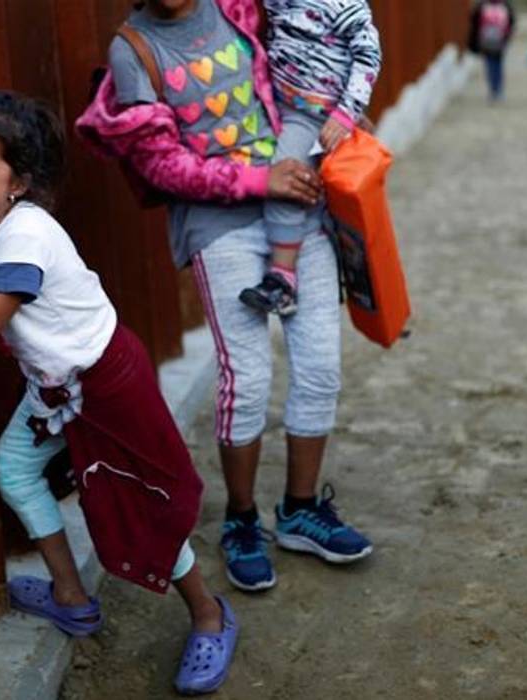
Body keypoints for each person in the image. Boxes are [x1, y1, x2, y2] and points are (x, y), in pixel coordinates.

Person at [0, 90, 237, 695]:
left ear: (18, 182)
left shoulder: (22, 239)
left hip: (107, 387)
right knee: (15, 468)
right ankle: (71, 596)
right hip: (58, 389)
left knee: (142, 506)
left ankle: (209, 614)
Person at [77, 0, 373, 595]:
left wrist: (338, 108)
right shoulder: (133, 50)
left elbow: (324, 35)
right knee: (248, 376)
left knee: (320, 365)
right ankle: (241, 521)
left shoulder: (239, 6)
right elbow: (162, 165)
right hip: (218, 225)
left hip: (297, 202)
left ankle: (300, 509)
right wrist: (261, 179)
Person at [241, 0, 382, 317]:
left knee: (288, 179)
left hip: (318, 116)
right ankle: (335, 270)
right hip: (285, 106)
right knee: (316, 200)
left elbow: (369, 55)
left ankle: (282, 279)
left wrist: (347, 112)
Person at [470, 0, 517, 101]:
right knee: (498, 65)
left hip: (486, 40)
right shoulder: (505, 5)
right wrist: (507, 36)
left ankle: (493, 90)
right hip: (500, 40)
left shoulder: (482, 5)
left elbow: (474, 21)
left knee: (490, 65)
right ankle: (498, 90)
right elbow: (512, 21)